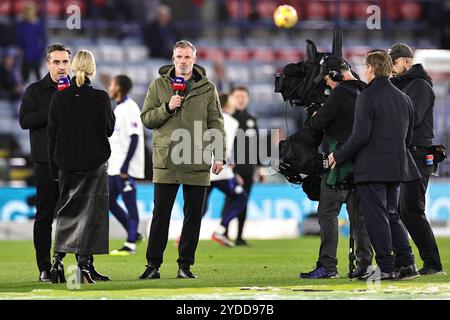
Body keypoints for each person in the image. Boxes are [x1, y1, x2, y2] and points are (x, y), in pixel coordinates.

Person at [328, 50, 421, 281]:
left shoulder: (366, 96)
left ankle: (387, 267)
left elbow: (360, 136)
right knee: (392, 213)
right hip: (398, 165)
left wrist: (338, 155)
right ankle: (407, 263)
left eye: (366, 66)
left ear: (370, 68)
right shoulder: (404, 98)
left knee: (377, 217)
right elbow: (408, 138)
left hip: (372, 168)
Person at [139, 40, 225, 280]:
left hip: (196, 158)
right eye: (179, 57)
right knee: (160, 215)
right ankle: (152, 265)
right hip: (167, 159)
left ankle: (185, 266)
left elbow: (215, 122)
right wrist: (167, 107)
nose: (183, 61)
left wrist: (219, 153)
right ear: (173, 58)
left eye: (187, 57)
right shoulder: (158, 86)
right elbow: (146, 118)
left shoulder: (207, 88)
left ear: (194, 59)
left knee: (193, 217)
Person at [299, 55, 373, 279]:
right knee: (359, 216)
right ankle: (365, 264)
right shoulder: (364, 89)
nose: (327, 84)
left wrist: (314, 114)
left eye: (328, 80)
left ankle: (328, 266)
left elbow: (318, 125)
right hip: (363, 162)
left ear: (335, 74)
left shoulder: (340, 92)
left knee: (327, 212)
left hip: (338, 161)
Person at [47, 50, 115, 284]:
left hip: (66, 164)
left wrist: (52, 170)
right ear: (92, 70)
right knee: (91, 217)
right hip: (94, 164)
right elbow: (108, 129)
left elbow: (52, 137)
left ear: (73, 67)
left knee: (67, 212)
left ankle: (57, 263)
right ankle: (84, 267)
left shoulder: (59, 98)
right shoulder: (100, 98)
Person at [390, 43, 445, 275]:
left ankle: (433, 264)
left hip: (418, 154)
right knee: (404, 210)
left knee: (411, 209)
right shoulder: (402, 85)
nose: (391, 70)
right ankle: (417, 261)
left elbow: (411, 119)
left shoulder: (420, 86)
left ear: (406, 62)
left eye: (393, 64)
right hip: (406, 153)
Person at [19, 43, 70, 282]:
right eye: (57, 62)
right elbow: (25, 121)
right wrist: (55, 104)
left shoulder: (78, 89)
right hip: (45, 163)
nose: (61, 67)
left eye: (65, 62)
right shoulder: (35, 91)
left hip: (74, 162)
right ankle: (44, 267)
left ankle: (74, 265)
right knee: (44, 217)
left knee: (77, 216)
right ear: (47, 63)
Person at [202, 93, 248, 248]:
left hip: (202, 168)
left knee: (200, 205)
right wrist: (232, 168)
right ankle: (220, 230)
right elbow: (224, 145)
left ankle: (184, 235)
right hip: (220, 170)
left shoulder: (204, 117)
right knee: (241, 197)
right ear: (227, 105)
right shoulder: (231, 122)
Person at [222, 86, 265, 246]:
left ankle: (239, 236)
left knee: (244, 200)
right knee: (230, 199)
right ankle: (224, 232)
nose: (240, 99)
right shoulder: (226, 119)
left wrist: (260, 168)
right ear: (231, 98)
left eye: (243, 97)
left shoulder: (251, 119)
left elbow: (257, 144)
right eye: (237, 96)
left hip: (248, 167)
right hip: (232, 167)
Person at [107, 75, 145, 256]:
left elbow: (135, 136)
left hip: (124, 167)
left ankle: (131, 244)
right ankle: (134, 233)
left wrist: (125, 166)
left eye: (112, 84)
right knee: (108, 201)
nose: (109, 87)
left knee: (130, 204)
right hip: (114, 165)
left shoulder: (130, 108)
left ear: (119, 87)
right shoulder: (119, 108)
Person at [15, 2, 47, 82]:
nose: (29, 13)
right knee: (25, 77)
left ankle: (40, 93)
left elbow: (43, 39)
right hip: (25, 55)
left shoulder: (39, 24)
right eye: (27, 11)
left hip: (36, 54)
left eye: (31, 11)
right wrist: (19, 49)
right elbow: (18, 39)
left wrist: (43, 52)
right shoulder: (21, 24)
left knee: (38, 76)